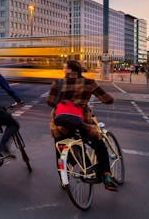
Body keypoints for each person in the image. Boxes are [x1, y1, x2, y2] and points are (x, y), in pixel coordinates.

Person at [47, 60, 118, 192]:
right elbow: (108, 99)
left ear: (69, 70)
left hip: (60, 123)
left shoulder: (58, 83)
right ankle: (107, 176)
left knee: (60, 148)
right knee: (99, 144)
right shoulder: (89, 83)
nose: (64, 69)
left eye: (65, 67)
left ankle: (64, 180)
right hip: (82, 122)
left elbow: (50, 102)